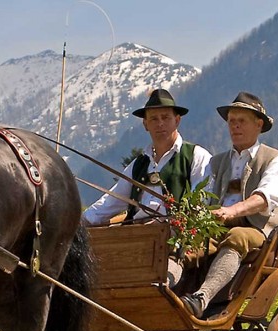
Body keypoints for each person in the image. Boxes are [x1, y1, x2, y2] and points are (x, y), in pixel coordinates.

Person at [82, 89, 212, 286]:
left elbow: (200, 205)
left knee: (156, 280)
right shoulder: (138, 164)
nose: (160, 123)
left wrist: (169, 226)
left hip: (174, 242)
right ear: (145, 124)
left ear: (177, 120)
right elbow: (109, 203)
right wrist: (77, 223)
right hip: (135, 237)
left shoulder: (197, 156)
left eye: (165, 117)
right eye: (153, 119)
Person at [180, 92, 278, 319]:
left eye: (241, 121)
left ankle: (202, 297)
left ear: (258, 125)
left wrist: (232, 211)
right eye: (232, 121)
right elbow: (203, 196)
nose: (235, 126)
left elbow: (264, 198)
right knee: (183, 241)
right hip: (217, 225)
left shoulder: (274, 159)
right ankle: (167, 294)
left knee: (238, 236)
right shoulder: (217, 161)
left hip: (259, 230)